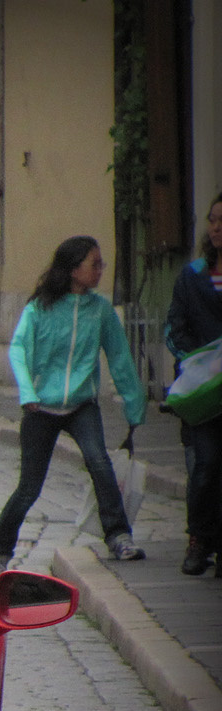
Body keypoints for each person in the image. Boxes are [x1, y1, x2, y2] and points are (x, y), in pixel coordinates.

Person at [0, 235, 147, 581]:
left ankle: (119, 536)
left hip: (81, 404)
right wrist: (27, 391)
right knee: (29, 487)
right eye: (95, 264)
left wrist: (135, 407)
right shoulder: (40, 308)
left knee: (100, 463)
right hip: (40, 406)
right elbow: (18, 349)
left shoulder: (100, 310)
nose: (101, 270)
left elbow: (119, 357)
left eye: (102, 263)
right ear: (74, 270)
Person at [164, 189, 222, 577]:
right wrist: (196, 360)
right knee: (206, 463)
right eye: (213, 220)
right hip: (204, 391)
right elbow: (175, 328)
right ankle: (199, 540)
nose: (216, 228)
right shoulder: (193, 275)